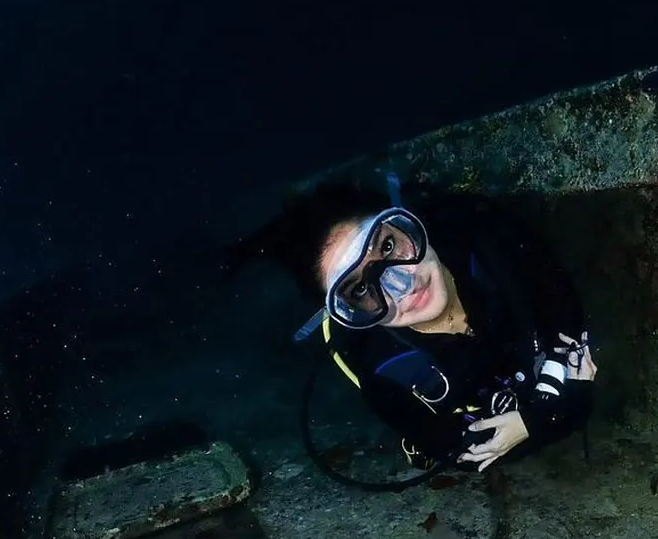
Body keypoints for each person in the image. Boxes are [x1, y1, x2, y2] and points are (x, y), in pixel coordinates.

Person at [235, 177, 597, 473]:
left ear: (406, 222)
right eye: (360, 288)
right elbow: (456, 450)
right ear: (349, 309)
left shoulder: (487, 239)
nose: (403, 285)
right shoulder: (380, 364)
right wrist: (551, 414)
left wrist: (541, 414)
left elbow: (564, 308)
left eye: (389, 246)